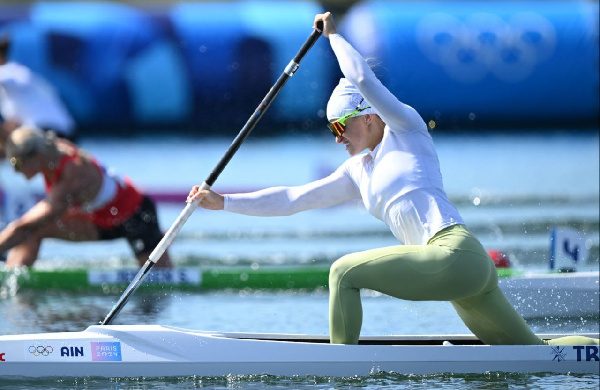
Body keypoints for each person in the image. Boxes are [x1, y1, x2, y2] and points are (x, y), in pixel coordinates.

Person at [187, 12, 598, 346]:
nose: (338, 138)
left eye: (341, 127)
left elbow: (363, 79)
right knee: (535, 355)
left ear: (368, 116)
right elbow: (294, 198)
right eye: (332, 131)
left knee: (343, 273)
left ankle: (339, 372)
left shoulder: (407, 130)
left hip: (455, 253)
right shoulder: (358, 171)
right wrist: (223, 202)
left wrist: (332, 35)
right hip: (459, 278)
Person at [0, 126, 171, 268]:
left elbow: (22, 227)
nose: (14, 170)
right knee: (34, 231)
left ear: (36, 157)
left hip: (136, 214)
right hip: (102, 217)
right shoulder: (51, 150)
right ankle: (14, 275)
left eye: (16, 163)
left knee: (160, 279)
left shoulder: (72, 175)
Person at [0, 34, 77, 144]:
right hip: (56, 133)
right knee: (9, 148)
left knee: (14, 151)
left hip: (52, 132)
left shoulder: (13, 71)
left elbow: (16, 80)